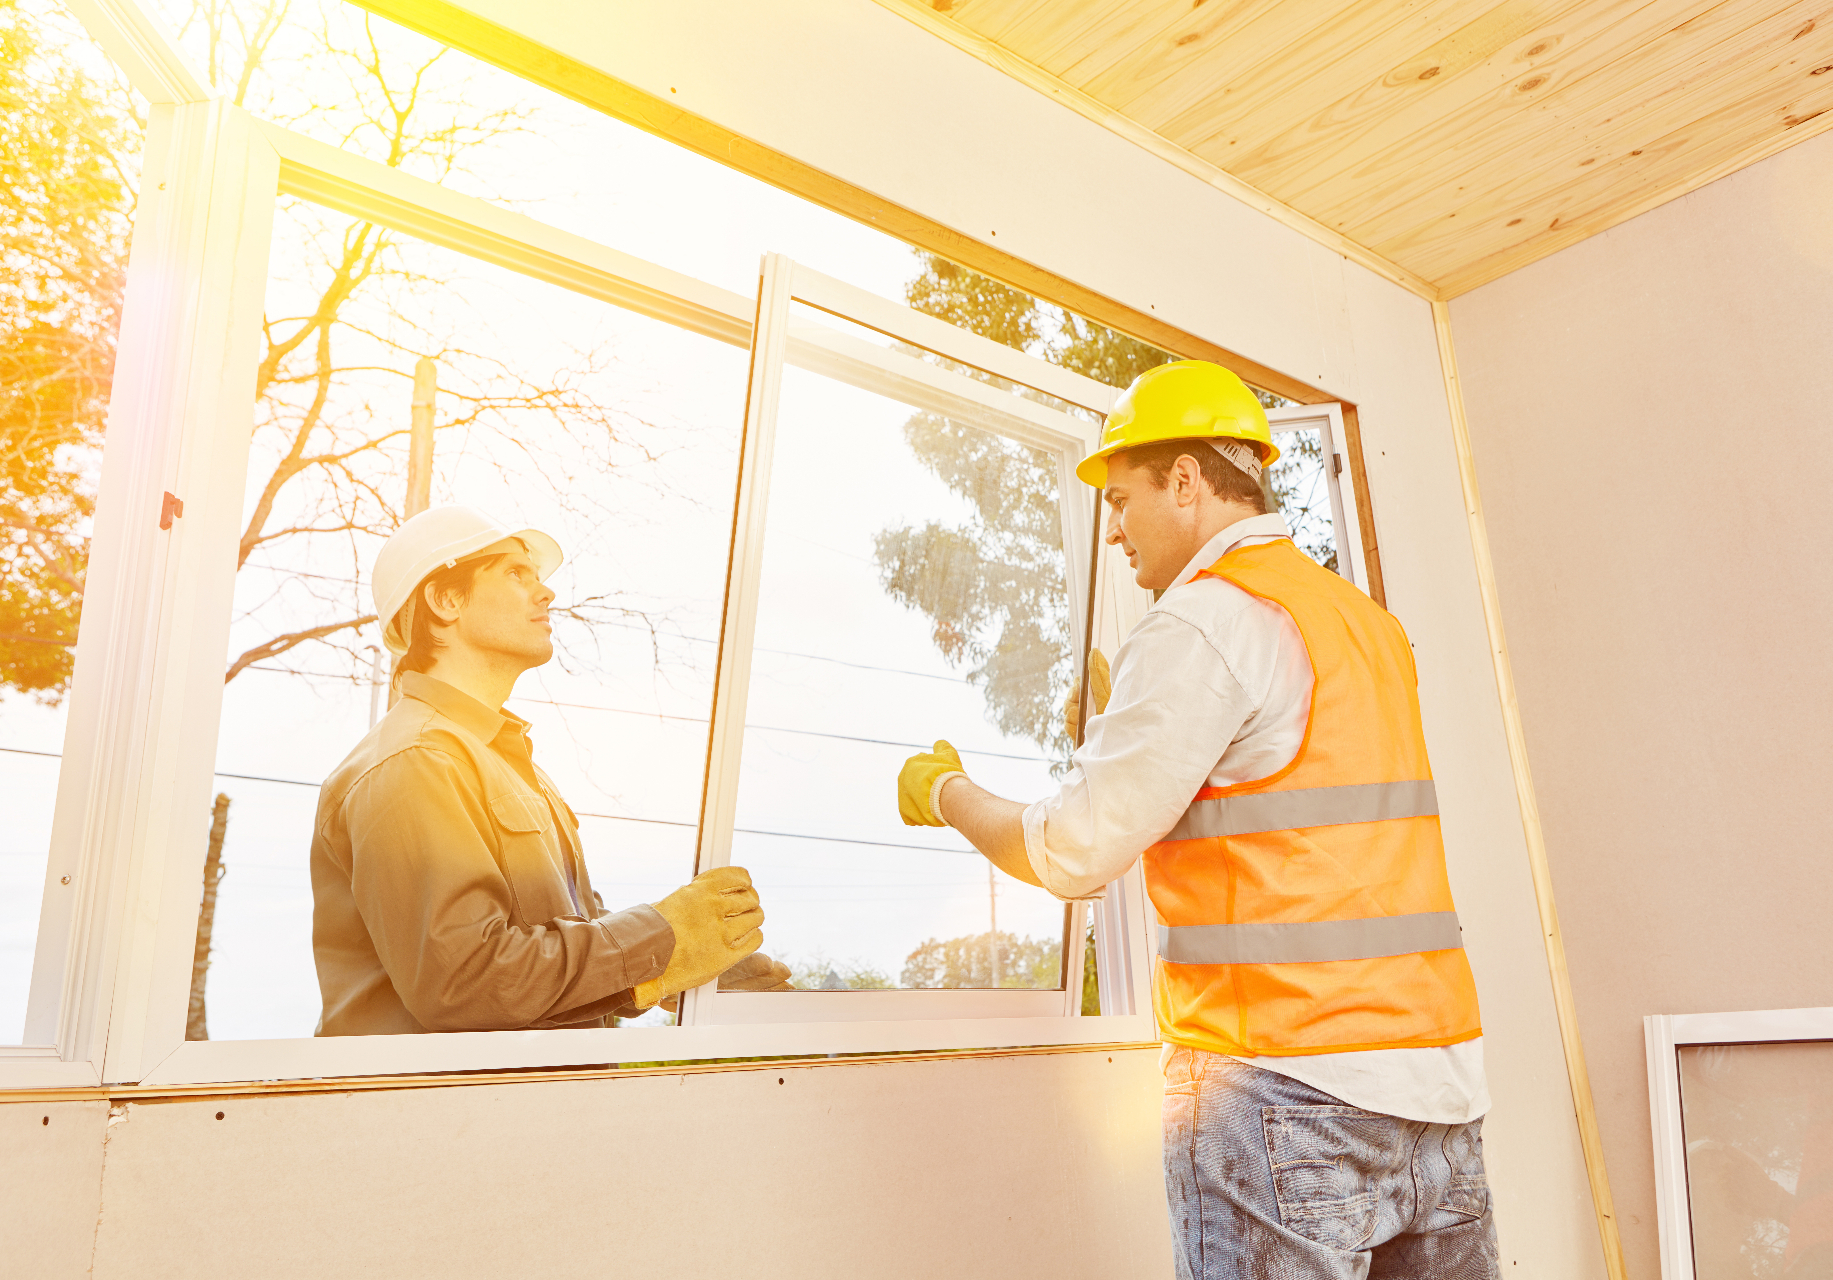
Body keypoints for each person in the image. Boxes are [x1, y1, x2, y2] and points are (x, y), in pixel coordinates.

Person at [895, 362, 1499, 1278]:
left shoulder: (1205, 622)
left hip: (1286, 1090)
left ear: (1186, 481)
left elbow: (1070, 853)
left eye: (1123, 496)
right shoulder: (1364, 624)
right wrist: (1121, 734)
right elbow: (1289, 817)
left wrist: (947, 792)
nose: (1113, 527)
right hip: (1438, 1093)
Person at [312, 504, 790, 1036]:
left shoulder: (514, 771)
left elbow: (551, 971)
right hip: (441, 1115)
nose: (547, 593)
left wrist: (682, 970)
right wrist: (665, 938)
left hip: (529, 1110)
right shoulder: (415, 761)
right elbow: (465, 982)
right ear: (445, 600)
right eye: (516, 573)